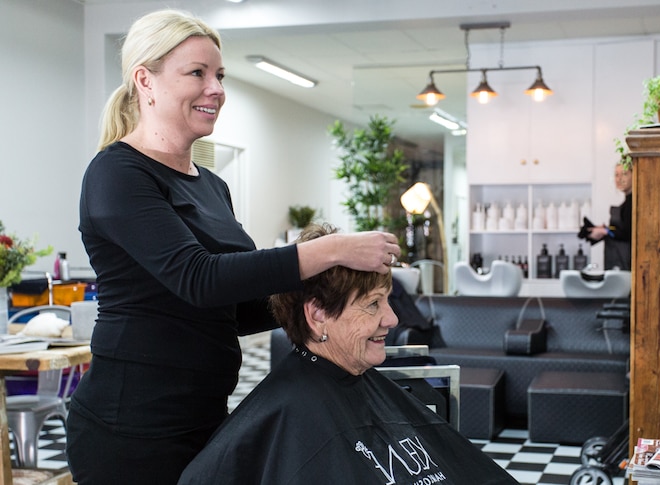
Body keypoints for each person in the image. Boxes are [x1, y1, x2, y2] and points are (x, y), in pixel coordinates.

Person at [67, 9, 401, 484]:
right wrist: (332, 251)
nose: (216, 89)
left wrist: (318, 300)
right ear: (146, 81)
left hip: (206, 415)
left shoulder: (212, 186)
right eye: (197, 73)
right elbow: (199, 278)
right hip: (131, 428)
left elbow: (235, 310)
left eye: (219, 75)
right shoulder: (117, 174)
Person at [178, 223, 517, 485]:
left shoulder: (361, 383)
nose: (393, 319)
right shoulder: (284, 420)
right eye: (372, 305)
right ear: (317, 316)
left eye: (387, 300)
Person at [587, 162, 632, 270]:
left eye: (624, 174)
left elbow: (628, 233)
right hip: (617, 263)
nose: (619, 178)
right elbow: (619, 229)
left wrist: (606, 231)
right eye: (616, 175)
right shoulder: (626, 203)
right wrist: (604, 229)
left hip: (626, 264)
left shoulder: (633, 203)